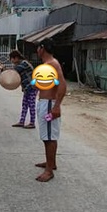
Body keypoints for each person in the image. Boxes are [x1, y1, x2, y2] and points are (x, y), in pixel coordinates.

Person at [34, 39, 67, 182]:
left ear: (42, 48)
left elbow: (62, 85)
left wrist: (56, 106)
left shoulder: (53, 64)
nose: (37, 51)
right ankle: (50, 163)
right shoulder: (47, 65)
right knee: (47, 135)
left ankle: (49, 171)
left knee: (49, 137)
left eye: (38, 48)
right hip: (44, 103)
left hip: (49, 104)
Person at [8, 50, 36, 129]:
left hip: (32, 87)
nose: (11, 61)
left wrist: (4, 69)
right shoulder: (21, 64)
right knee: (25, 105)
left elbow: (13, 72)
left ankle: (32, 123)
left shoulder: (24, 64)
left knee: (31, 105)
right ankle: (22, 121)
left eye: (12, 59)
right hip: (27, 88)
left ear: (16, 58)